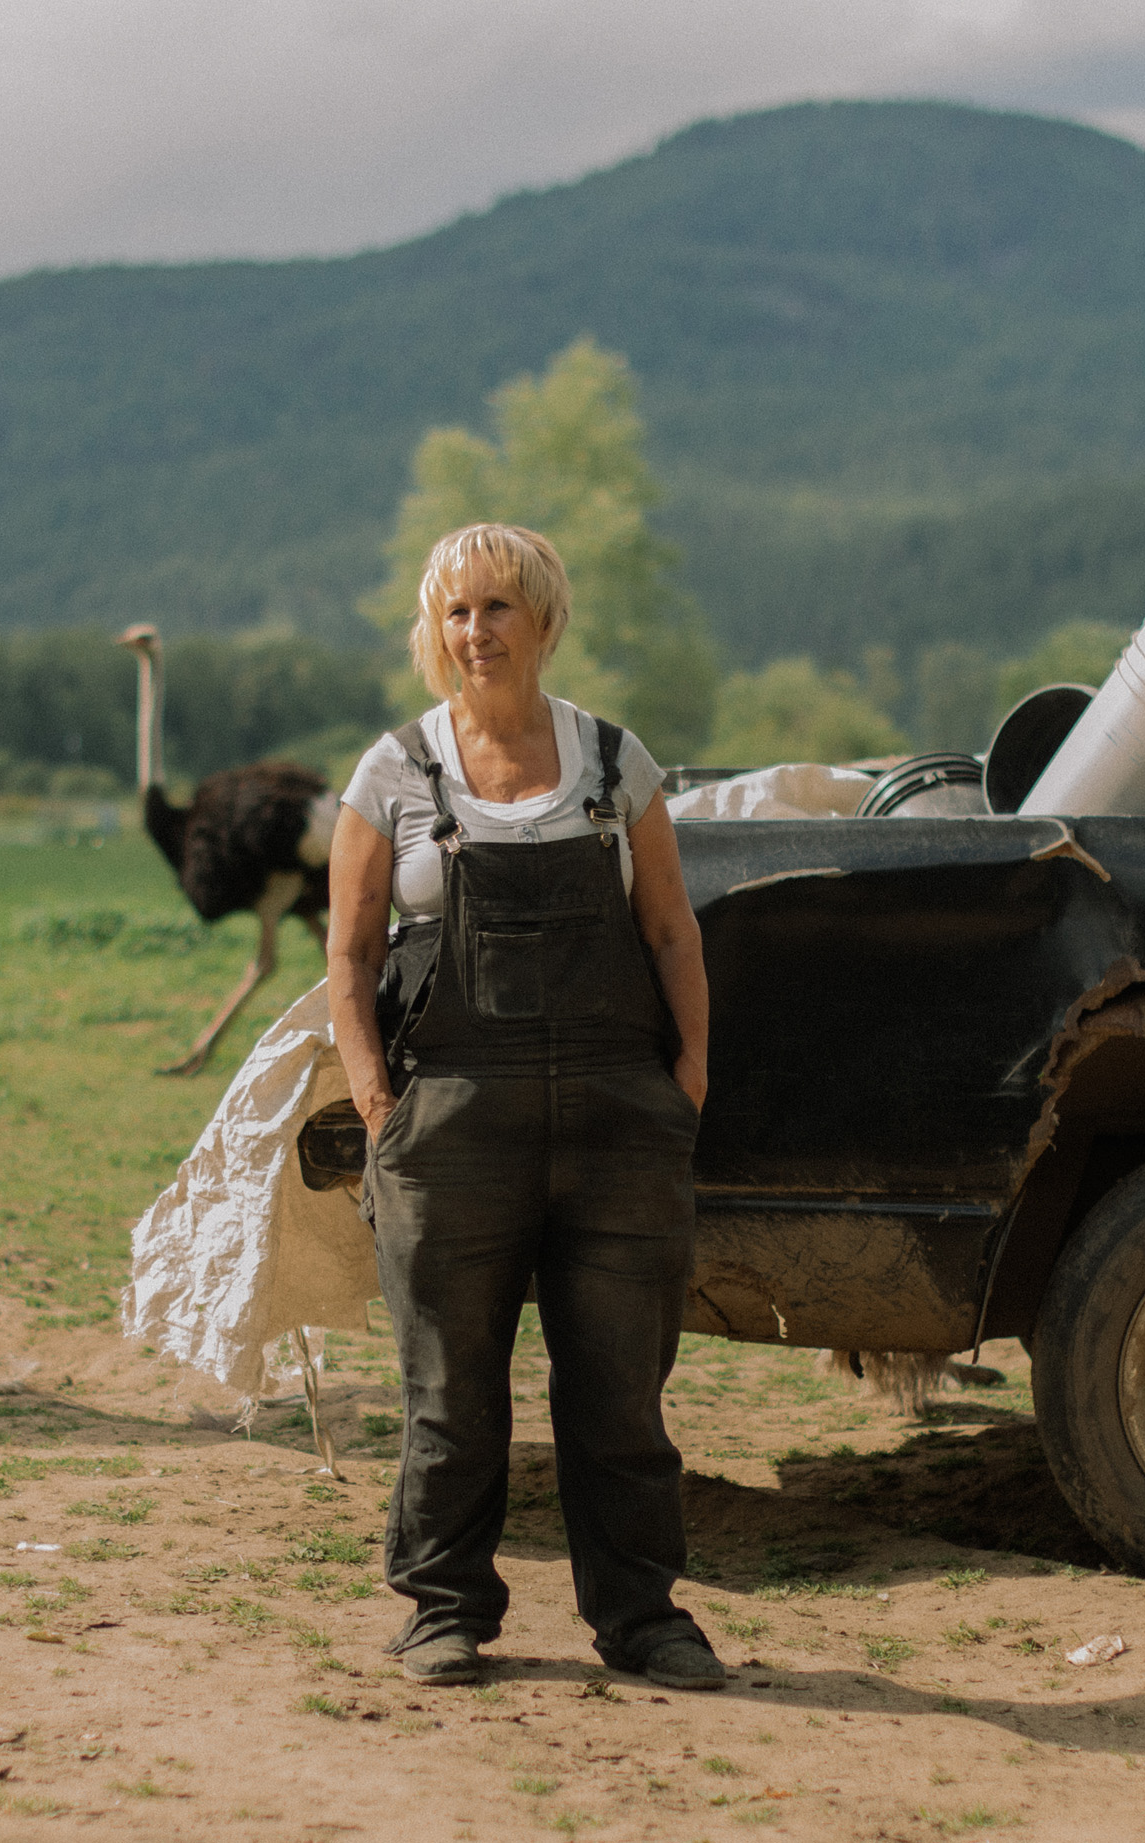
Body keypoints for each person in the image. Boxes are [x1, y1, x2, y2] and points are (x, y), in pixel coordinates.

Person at [324, 522, 720, 1690]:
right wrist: (376, 1100)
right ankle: (444, 1610)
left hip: (616, 1122)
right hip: (450, 1124)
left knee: (618, 1396)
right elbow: (348, 954)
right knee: (450, 1392)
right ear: (431, 632)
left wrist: (686, 1079)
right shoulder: (394, 771)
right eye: (454, 612)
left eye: (498, 608)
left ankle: (643, 1618)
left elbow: (667, 929)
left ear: (544, 620)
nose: (475, 632)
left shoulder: (613, 761)